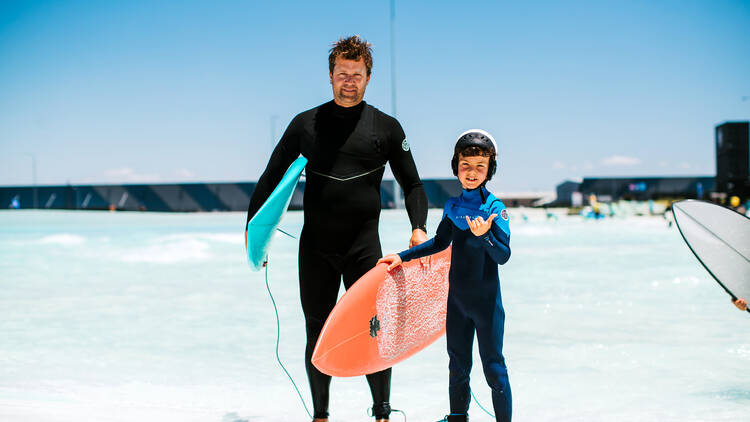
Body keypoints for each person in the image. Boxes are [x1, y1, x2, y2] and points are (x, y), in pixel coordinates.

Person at [245, 35, 428, 422]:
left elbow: (413, 184)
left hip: (364, 249)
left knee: (374, 331)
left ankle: (381, 414)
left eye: (357, 74)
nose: (349, 81)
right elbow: (269, 179)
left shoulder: (387, 128)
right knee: (318, 332)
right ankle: (321, 416)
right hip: (317, 248)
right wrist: (253, 236)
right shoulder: (305, 125)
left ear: (368, 77)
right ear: (330, 75)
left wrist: (418, 227)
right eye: (342, 73)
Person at [378, 129, 512, 422]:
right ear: (456, 167)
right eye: (466, 165)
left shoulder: (494, 209)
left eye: (480, 166)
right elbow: (439, 243)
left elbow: (503, 256)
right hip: (457, 303)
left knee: (493, 366)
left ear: (490, 169)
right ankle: (457, 417)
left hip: (487, 304)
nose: (472, 172)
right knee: (457, 364)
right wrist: (402, 256)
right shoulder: (453, 207)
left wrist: (487, 235)